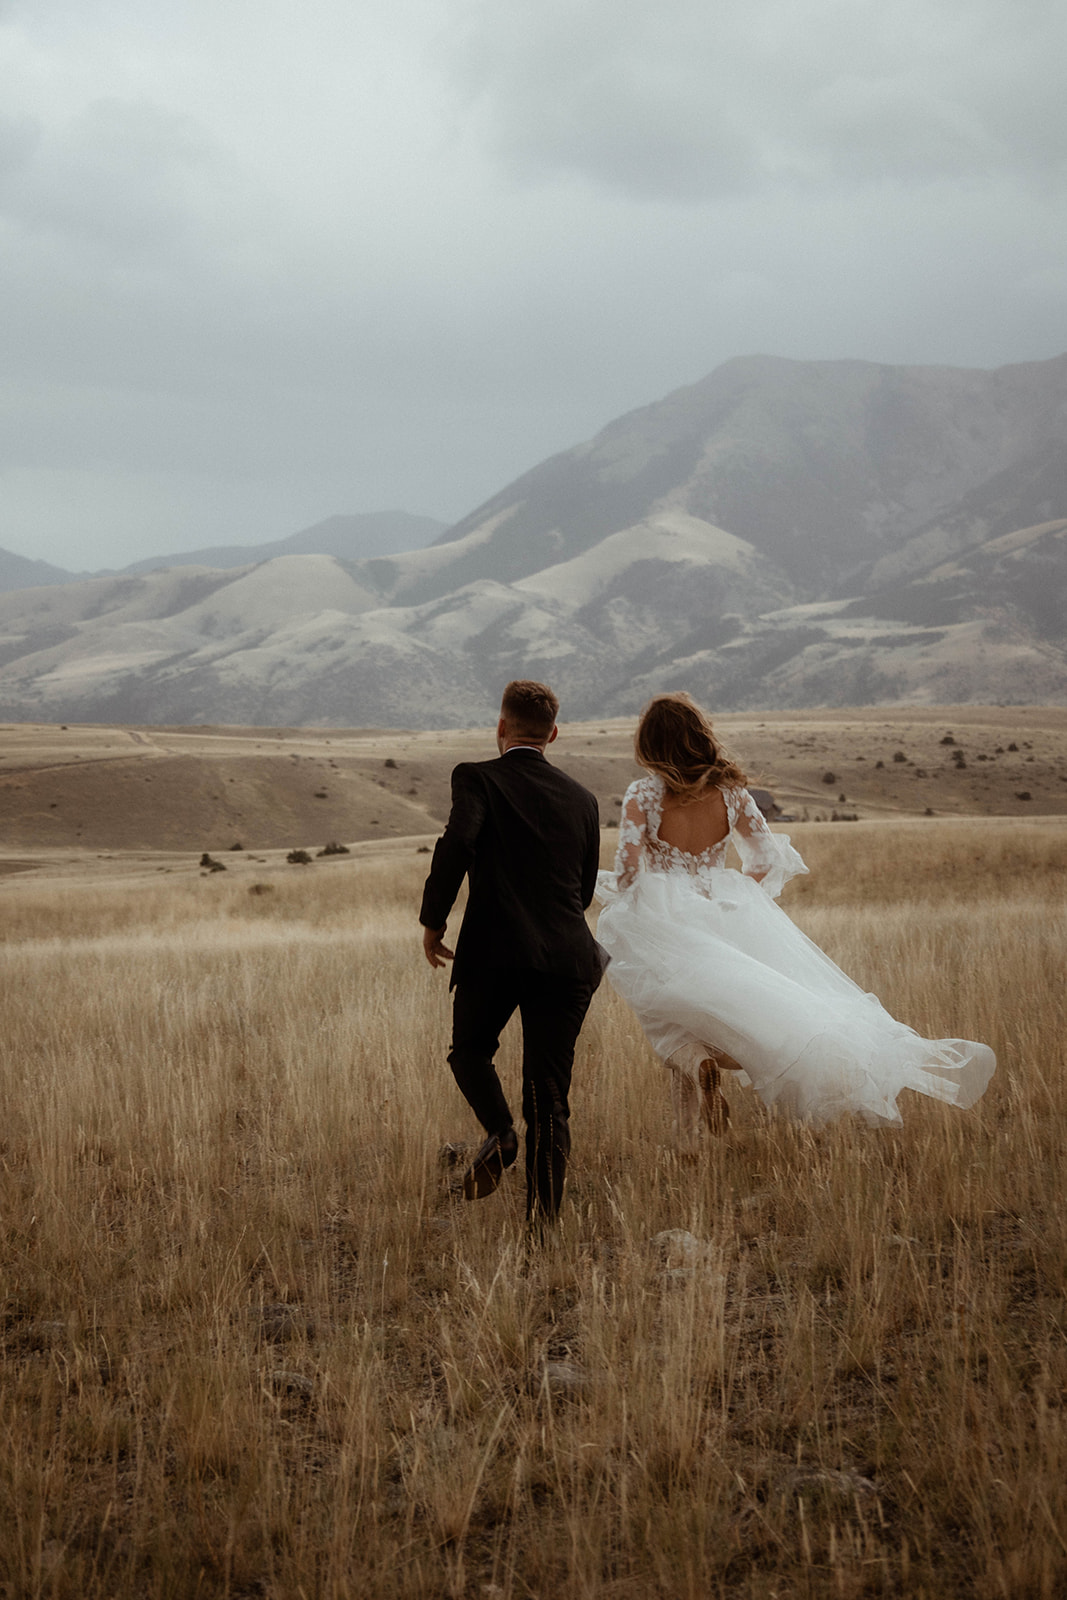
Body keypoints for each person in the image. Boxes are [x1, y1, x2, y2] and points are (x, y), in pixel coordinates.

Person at [596, 693, 995, 1152]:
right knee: (729, 1012)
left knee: (667, 1014)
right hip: (725, 909)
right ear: (699, 737)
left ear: (650, 744)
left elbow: (627, 871)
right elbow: (765, 857)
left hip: (665, 911)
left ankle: (688, 1127)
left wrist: (636, 897)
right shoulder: (731, 793)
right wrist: (737, 897)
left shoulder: (643, 795)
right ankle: (698, 1101)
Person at [420, 680, 603, 1224]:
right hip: (568, 959)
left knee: (470, 1051)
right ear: (553, 734)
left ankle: (500, 1135)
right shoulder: (585, 800)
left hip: (495, 952)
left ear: (500, 728)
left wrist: (434, 921)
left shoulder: (475, 777)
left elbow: (457, 843)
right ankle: (541, 1233)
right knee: (550, 1101)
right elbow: (585, 891)